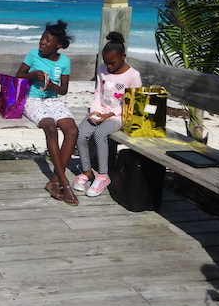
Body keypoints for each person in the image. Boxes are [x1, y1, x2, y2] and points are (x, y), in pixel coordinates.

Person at [16, 20, 79, 206]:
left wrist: (53, 86)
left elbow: (64, 90)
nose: (42, 43)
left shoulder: (65, 62)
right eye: (42, 39)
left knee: (72, 131)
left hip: (53, 100)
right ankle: (64, 181)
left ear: (58, 45)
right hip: (33, 100)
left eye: (47, 40)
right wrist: (32, 75)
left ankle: (53, 180)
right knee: (50, 128)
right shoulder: (33, 55)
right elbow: (17, 76)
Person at [73, 32, 141, 197]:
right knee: (80, 134)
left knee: (100, 134)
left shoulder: (133, 75)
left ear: (123, 56)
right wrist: (95, 110)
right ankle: (87, 170)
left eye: (112, 63)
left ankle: (103, 175)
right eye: (106, 62)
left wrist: (109, 115)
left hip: (118, 116)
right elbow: (98, 92)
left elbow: (132, 103)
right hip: (99, 112)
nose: (108, 67)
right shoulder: (102, 69)